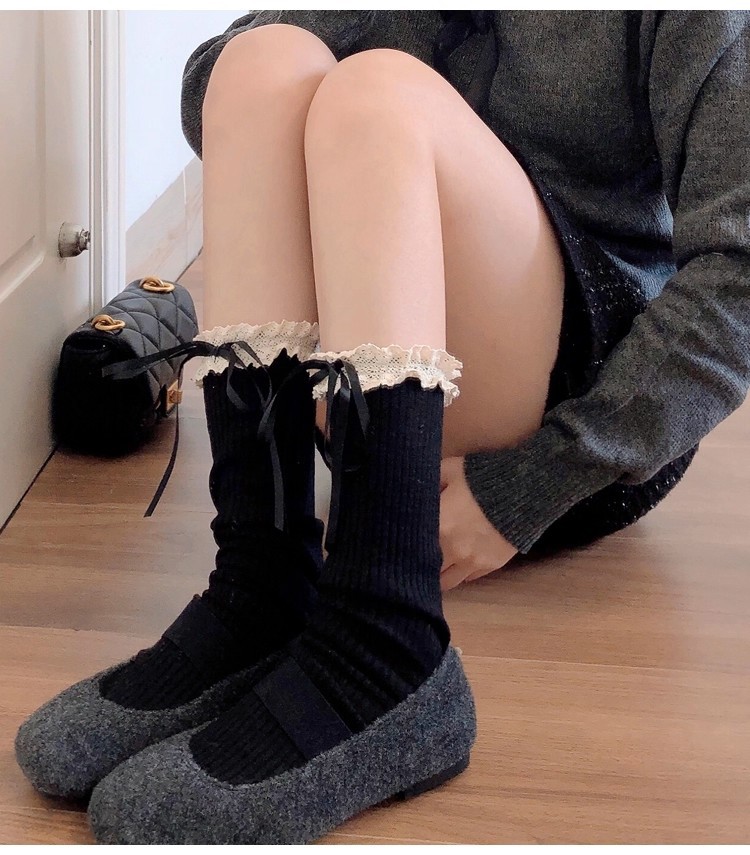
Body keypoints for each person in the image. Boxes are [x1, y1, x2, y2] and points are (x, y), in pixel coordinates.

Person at [16, 10, 750, 844]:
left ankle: (385, 642)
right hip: (386, 396)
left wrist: (536, 480)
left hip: (588, 406)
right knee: (258, 63)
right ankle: (261, 586)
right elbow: (207, 107)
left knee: (378, 94)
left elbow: (741, 271)